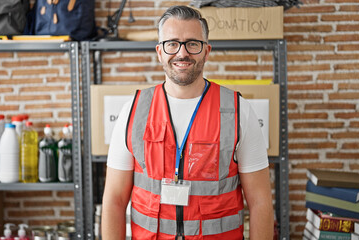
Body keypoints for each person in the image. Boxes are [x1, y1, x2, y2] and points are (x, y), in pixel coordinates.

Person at [101, 5, 274, 240]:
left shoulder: (238, 110)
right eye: (172, 43)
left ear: (206, 51)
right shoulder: (133, 110)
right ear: (160, 51)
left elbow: (260, 202)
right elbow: (114, 200)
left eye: (192, 43)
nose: (182, 53)